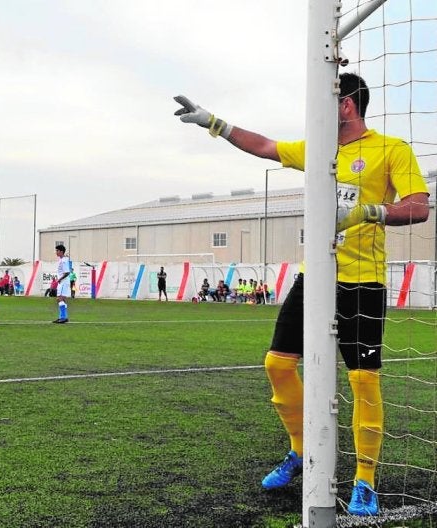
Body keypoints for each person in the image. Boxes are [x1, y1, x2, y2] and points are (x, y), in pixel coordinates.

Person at [174, 72, 429, 516]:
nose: (315, 110)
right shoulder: (318, 150)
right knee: (277, 364)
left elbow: (419, 206)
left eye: (324, 101)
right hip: (315, 277)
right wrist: (214, 123)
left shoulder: (392, 149)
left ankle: (364, 480)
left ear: (346, 105)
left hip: (362, 280)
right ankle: (300, 451)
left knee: (363, 379)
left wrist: (366, 212)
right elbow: (265, 146)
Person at [53, 245, 70, 323]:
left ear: (61, 251)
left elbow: (67, 272)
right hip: (63, 282)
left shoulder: (63, 260)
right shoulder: (63, 260)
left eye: (57, 251)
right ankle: (63, 317)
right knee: (62, 299)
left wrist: (59, 279)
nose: (56, 252)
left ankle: (63, 317)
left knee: (59, 299)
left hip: (63, 282)